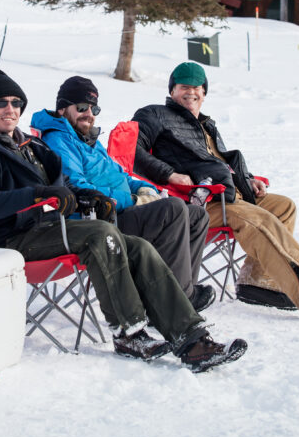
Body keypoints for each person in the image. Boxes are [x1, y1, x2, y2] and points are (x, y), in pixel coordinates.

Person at [0, 67, 246, 372]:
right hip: (15, 238)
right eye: (1, 103)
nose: (10, 109)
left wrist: (86, 196)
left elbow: (66, 183)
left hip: (51, 227)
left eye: (16, 103)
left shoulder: (29, 146)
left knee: (138, 247)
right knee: (102, 235)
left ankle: (192, 339)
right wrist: (39, 195)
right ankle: (129, 333)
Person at [132, 62, 299, 319]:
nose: (191, 92)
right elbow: (133, 152)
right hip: (199, 203)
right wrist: (169, 174)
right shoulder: (153, 114)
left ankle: (257, 283)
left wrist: (248, 179)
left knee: (283, 206)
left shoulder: (206, 124)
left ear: (205, 93)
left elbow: (220, 161)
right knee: (258, 219)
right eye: (184, 86)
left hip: (229, 195)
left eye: (197, 87)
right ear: (172, 90)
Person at [30, 76, 214, 312]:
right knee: (174, 211)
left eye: (93, 108)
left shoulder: (87, 139)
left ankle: (180, 290)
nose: (89, 114)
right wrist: (134, 200)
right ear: (63, 108)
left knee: (196, 215)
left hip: (123, 210)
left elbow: (121, 175)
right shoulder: (57, 141)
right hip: (99, 219)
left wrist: (147, 189)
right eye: (82, 108)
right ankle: (174, 303)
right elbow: (76, 187)